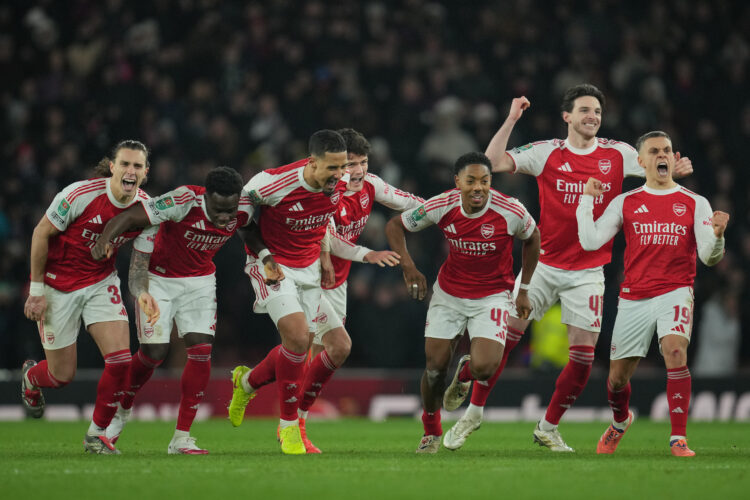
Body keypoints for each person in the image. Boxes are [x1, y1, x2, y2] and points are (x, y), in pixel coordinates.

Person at [446, 84, 693, 452]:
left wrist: (673, 170)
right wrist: (511, 119)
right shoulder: (547, 152)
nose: (592, 117)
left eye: (597, 111)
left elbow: (657, 173)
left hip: (589, 272)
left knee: (582, 359)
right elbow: (491, 163)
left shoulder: (619, 154)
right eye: (585, 110)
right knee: (500, 343)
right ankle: (472, 413)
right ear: (567, 116)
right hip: (543, 266)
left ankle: (547, 427)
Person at [89, 166, 279, 454]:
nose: (224, 217)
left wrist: (265, 257)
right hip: (159, 279)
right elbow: (131, 216)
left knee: (201, 351)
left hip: (200, 281)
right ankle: (122, 410)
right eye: (218, 210)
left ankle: (181, 438)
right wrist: (104, 239)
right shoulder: (182, 201)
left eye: (229, 210)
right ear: (206, 197)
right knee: (154, 353)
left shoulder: (243, 207)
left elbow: (248, 229)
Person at [576, 131, 728, 457]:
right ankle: (620, 421)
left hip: (675, 291)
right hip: (634, 296)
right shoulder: (626, 202)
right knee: (617, 380)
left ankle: (678, 438)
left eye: (667, 150)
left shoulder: (695, 202)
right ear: (641, 161)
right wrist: (586, 201)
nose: (662, 155)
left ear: (673, 158)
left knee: (675, 351)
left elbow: (708, 257)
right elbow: (590, 241)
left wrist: (717, 237)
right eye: (655, 151)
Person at [385, 151, 540, 453]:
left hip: (493, 296)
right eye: (471, 181)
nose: (478, 187)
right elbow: (394, 226)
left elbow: (533, 238)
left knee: (485, 368)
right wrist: (408, 267)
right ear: (458, 182)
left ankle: (466, 372)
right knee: (434, 369)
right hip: (449, 295)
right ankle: (431, 432)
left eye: (485, 181)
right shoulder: (442, 205)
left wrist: (524, 290)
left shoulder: (511, 210)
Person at [21, 140, 158, 454]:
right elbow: (41, 233)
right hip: (57, 286)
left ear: (145, 172)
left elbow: (139, 266)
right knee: (61, 375)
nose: (130, 171)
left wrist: (142, 293)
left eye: (137, 166)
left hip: (100, 282)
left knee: (120, 360)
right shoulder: (79, 195)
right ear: (112, 167)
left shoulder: (147, 210)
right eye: (125, 164)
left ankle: (96, 435)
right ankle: (31, 377)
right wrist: (36, 291)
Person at [226, 130, 352, 455]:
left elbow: (322, 219)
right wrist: (265, 257)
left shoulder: (340, 182)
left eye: (343, 168)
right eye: (332, 168)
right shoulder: (270, 183)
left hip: (309, 271)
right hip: (272, 265)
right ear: (312, 163)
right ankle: (288, 428)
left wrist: (325, 255)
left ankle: (245, 383)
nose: (339, 175)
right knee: (297, 338)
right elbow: (242, 220)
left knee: (324, 346)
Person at [297, 128, 422, 452]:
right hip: (308, 277)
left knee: (327, 352)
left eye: (363, 162)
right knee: (312, 345)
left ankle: (255, 385)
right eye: (350, 164)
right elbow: (334, 242)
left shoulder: (371, 186)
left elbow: (408, 201)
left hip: (337, 282)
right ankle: (294, 423)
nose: (358, 170)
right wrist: (369, 254)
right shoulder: (325, 192)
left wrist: (444, 209)